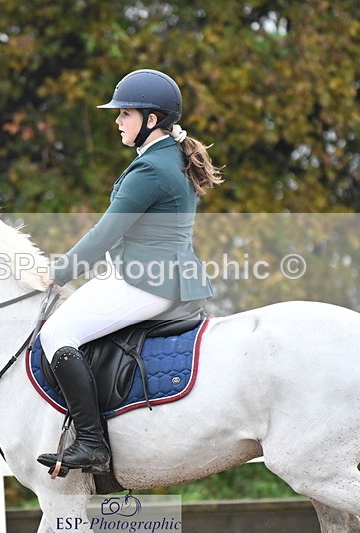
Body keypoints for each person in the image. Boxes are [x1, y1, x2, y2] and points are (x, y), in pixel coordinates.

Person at [36, 69, 223, 473]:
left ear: (151, 120)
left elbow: (107, 231)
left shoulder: (151, 169)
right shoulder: (167, 157)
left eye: (125, 114)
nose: (117, 121)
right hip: (155, 274)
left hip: (148, 280)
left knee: (55, 333)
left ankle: (90, 443)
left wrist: (60, 271)